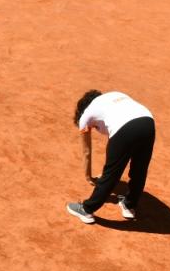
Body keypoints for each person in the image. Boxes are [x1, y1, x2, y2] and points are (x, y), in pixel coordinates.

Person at [66, 90, 156, 224]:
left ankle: (86, 209)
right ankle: (129, 205)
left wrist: (88, 177)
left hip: (125, 129)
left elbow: (86, 152)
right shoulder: (114, 96)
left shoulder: (86, 116)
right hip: (148, 123)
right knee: (140, 169)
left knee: (111, 173)